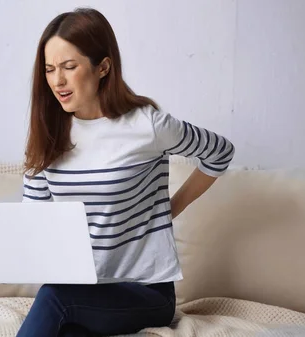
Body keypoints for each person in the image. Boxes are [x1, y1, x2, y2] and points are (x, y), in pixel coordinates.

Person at [17, 7, 235, 337]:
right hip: (83, 293)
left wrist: (170, 209)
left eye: (69, 67)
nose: (57, 80)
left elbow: (219, 152)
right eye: (49, 70)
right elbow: (35, 223)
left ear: (103, 66)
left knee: (54, 298)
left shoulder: (147, 125)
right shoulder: (48, 135)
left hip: (147, 293)